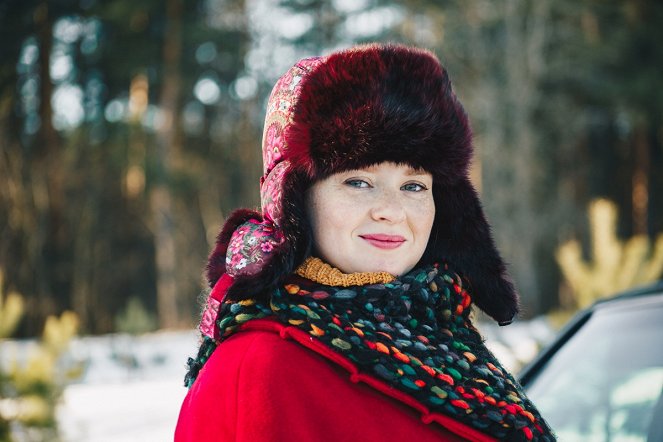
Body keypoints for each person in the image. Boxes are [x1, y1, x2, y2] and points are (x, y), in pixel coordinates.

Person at [175, 43, 555, 441]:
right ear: (295, 200)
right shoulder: (257, 366)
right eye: (359, 181)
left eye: (413, 185)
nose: (391, 210)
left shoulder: (448, 337)